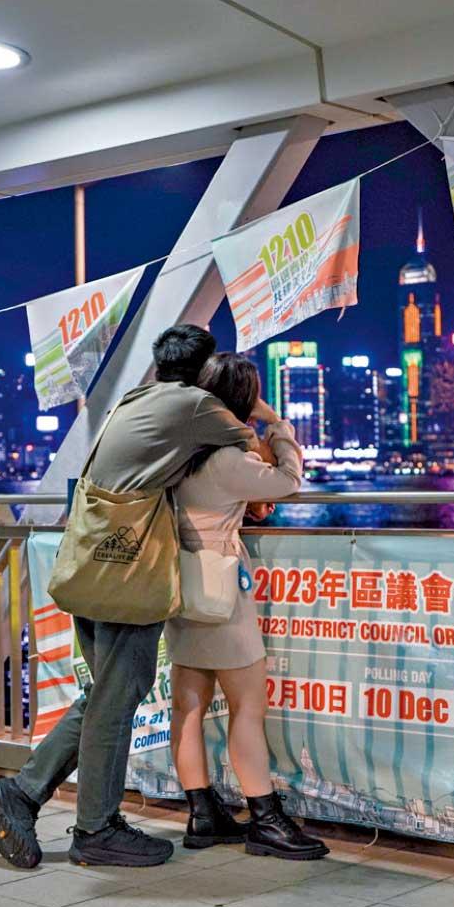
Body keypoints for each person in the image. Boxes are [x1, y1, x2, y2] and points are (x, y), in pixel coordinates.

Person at [0, 325, 254, 869]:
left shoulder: (135, 397)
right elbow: (247, 444)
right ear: (202, 371)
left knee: (105, 693)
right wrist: (256, 409)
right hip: (128, 570)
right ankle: (96, 828)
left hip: (91, 562)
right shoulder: (195, 404)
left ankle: (22, 793)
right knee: (117, 696)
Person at [165, 352, 329, 860]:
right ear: (243, 401)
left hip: (177, 585)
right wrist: (275, 422)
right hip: (221, 590)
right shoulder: (230, 459)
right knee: (248, 707)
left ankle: (202, 814)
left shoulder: (176, 450)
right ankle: (266, 819)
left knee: (187, 706)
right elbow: (289, 480)